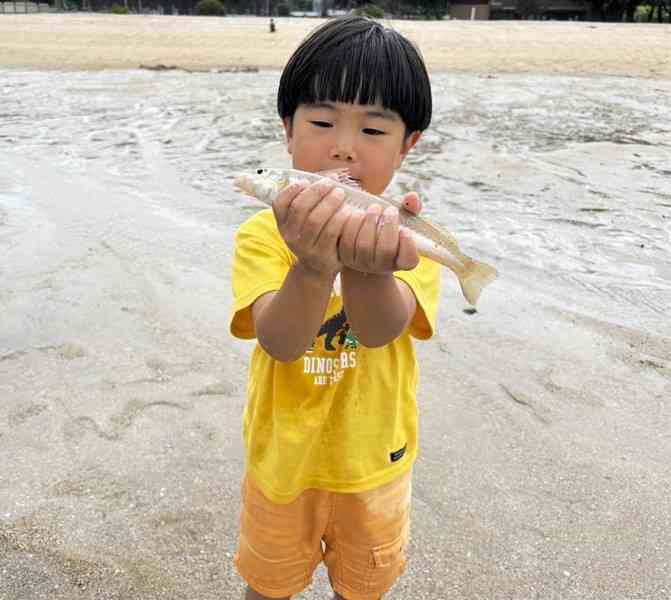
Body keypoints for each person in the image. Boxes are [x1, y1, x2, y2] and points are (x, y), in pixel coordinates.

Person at [230, 15, 440, 600]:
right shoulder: (261, 236)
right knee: (267, 585)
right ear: (289, 133)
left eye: (374, 131)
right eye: (322, 122)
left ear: (407, 146)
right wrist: (314, 264)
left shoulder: (404, 238)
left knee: (364, 587)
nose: (343, 145)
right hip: (282, 464)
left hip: (374, 461)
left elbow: (379, 330)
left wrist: (367, 266)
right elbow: (281, 341)